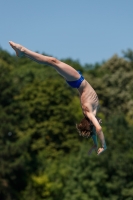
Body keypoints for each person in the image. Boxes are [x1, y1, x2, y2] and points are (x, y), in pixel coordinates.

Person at [9, 41, 107, 155]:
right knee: (53, 62)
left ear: (91, 124)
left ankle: (23, 51)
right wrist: (95, 144)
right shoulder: (92, 115)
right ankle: (23, 53)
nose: (99, 125)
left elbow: (98, 130)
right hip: (77, 82)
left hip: (77, 80)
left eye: (94, 126)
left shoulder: (89, 112)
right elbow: (94, 132)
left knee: (53, 61)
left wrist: (103, 146)